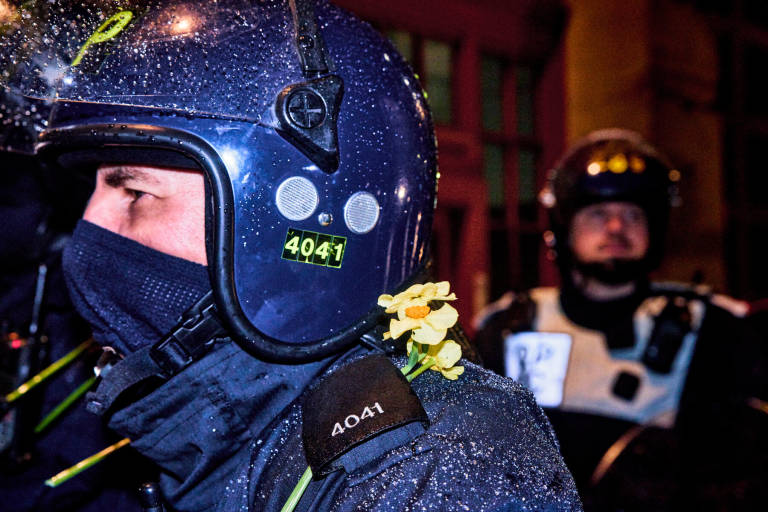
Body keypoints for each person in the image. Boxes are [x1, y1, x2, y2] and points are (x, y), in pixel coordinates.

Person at [2, 1, 582, 510]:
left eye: (133, 192)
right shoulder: (184, 431)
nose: (88, 232)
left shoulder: (439, 471)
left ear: (287, 219)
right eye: (91, 192)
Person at [474, 128, 768, 510]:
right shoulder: (507, 327)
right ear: (564, 228)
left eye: (632, 214)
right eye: (598, 213)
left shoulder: (715, 331)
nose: (616, 228)